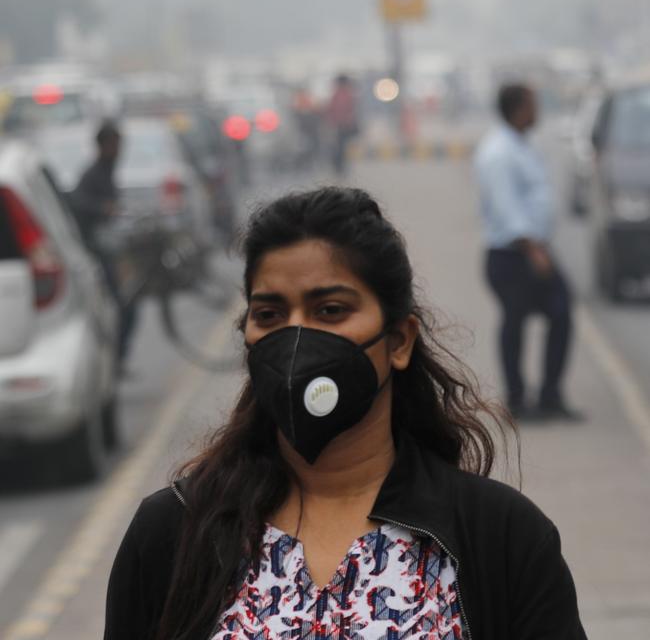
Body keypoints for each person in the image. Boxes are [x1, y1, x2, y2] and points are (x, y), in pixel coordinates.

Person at [104, 186, 586, 640]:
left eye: (330, 310)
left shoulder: (501, 537)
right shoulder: (174, 531)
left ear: (398, 341)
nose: (295, 339)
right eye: (269, 315)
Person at [474, 83, 582, 422]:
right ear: (519, 108)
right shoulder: (498, 153)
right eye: (533, 104)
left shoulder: (523, 144)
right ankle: (517, 400)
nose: (538, 111)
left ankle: (550, 395)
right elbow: (506, 208)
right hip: (513, 253)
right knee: (515, 322)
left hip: (534, 249)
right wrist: (533, 249)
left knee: (561, 313)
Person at [70, 120, 133, 365]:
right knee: (121, 305)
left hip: (109, 248)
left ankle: (117, 359)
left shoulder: (108, 171)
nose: (119, 150)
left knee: (128, 305)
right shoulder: (93, 174)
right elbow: (79, 204)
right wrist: (103, 208)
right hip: (97, 252)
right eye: (115, 145)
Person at [326, 73, 359, 174]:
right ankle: (339, 166)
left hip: (339, 125)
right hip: (343, 125)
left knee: (339, 146)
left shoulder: (338, 94)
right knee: (341, 147)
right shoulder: (346, 94)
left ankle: (338, 166)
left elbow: (332, 110)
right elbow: (349, 111)